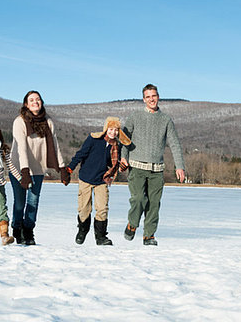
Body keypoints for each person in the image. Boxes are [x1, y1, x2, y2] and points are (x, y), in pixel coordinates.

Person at [120, 84, 185, 246]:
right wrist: (123, 157)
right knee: (139, 199)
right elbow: (124, 140)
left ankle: (149, 235)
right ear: (143, 99)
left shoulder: (166, 120)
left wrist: (180, 166)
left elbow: (175, 144)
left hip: (157, 169)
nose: (151, 99)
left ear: (158, 97)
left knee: (154, 204)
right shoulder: (135, 117)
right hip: (137, 167)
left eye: (154, 96)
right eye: (148, 97)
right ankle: (132, 224)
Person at [10, 90, 68, 245]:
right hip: (18, 168)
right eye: (31, 100)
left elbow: (55, 145)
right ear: (26, 104)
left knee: (33, 201)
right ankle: (16, 228)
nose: (35, 102)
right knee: (20, 202)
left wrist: (62, 168)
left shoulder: (48, 121)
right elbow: (21, 148)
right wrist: (24, 171)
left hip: (38, 168)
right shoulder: (19, 121)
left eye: (38, 99)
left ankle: (28, 231)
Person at [65, 117, 131, 246]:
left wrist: (121, 166)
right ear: (106, 129)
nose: (113, 132)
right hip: (86, 178)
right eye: (111, 129)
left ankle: (100, 237)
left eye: (116, 130)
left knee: (102, 208)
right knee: (84, 208)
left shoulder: (116, 146)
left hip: (101, 180)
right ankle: (83, 230)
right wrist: (70, 168)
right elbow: (81, 154)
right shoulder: (94, 139)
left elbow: (114, 163)